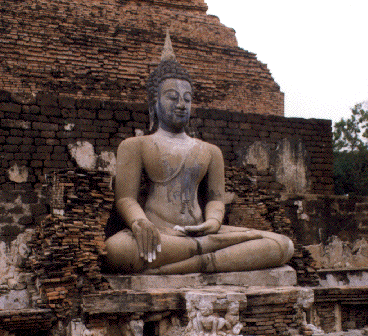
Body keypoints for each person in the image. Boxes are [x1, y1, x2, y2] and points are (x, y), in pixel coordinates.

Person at [105, 34, 293, 274]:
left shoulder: (210, 151)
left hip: (202, 232)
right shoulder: (135, 145)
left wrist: (213, 222)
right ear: (154, 103)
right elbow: (125, 199)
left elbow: (215, 199)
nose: (181, 104)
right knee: (116, 250)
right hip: (160, 234)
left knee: (282, 245)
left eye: (187, 99)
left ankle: (186, 263)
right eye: (172, 97)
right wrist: (139, 222)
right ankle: (211, 256)